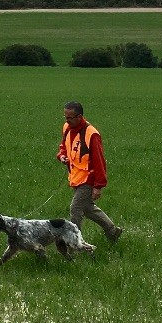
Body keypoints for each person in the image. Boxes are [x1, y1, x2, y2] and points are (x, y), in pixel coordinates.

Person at [56, 101, 122, 243]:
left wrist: (98, 186)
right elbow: (64, 146)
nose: (67, 120)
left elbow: (99, 161)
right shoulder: (67, 128)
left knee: (75, 209)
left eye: (70, 118)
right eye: (65, 117)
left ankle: (75, 242)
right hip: (75, 177)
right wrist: (62, 155)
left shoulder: (91, 134)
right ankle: (112, 231)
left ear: (79, 116)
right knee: (87, 208)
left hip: (88, 179)